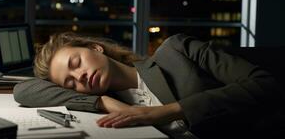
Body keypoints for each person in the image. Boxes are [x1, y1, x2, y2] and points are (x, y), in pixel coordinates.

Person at [14, 32, 284, 139]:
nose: (80, 77)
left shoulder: (176, 51)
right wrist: (104, 102)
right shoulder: (114, 102)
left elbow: (267, 84)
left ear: (95, 48)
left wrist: (163, 112)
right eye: (71, 83)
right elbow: (23, 90)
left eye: (77, 63)